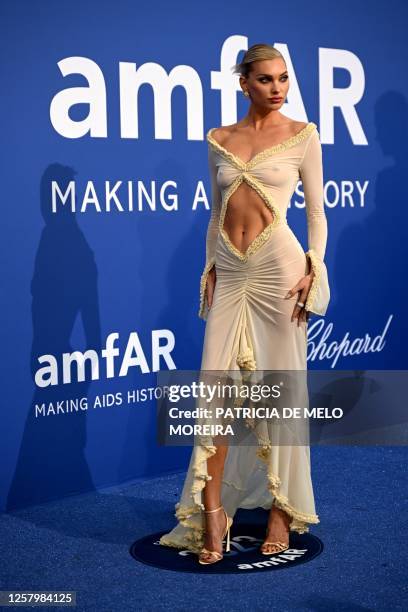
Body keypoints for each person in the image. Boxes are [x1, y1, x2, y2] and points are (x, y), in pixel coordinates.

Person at [159, 43, 330, 564]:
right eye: (265, 80)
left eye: (283, 79)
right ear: (244, 84)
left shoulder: (303, 135)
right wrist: (210, 267)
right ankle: (214, 513)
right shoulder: (218, 139)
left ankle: (281, 511)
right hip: (232, 274)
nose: (277, 89)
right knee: (214, 398)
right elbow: (217, 213)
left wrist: (314, 269)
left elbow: (317, 216)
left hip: (280, 272)